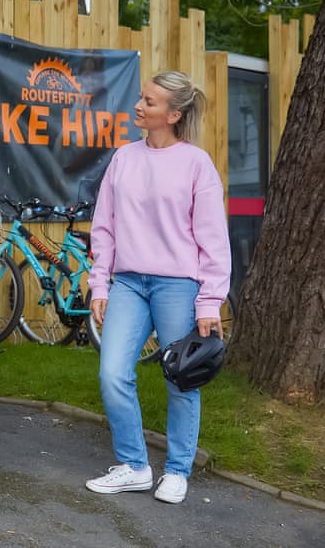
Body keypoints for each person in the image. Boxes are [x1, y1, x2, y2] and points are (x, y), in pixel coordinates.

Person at [85, 70, 231, 504]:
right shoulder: (124, 158)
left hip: (178, 286)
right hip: (128, 282)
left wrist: (209, 302)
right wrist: (100, 285)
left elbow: (213, 239)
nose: (139, 106)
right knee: (112, 373)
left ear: (173, 114)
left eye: (149, 101)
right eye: (141, 97)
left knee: (182, 379)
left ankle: (178, 470)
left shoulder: (196, 164)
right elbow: (104, 228)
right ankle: (133, 465)